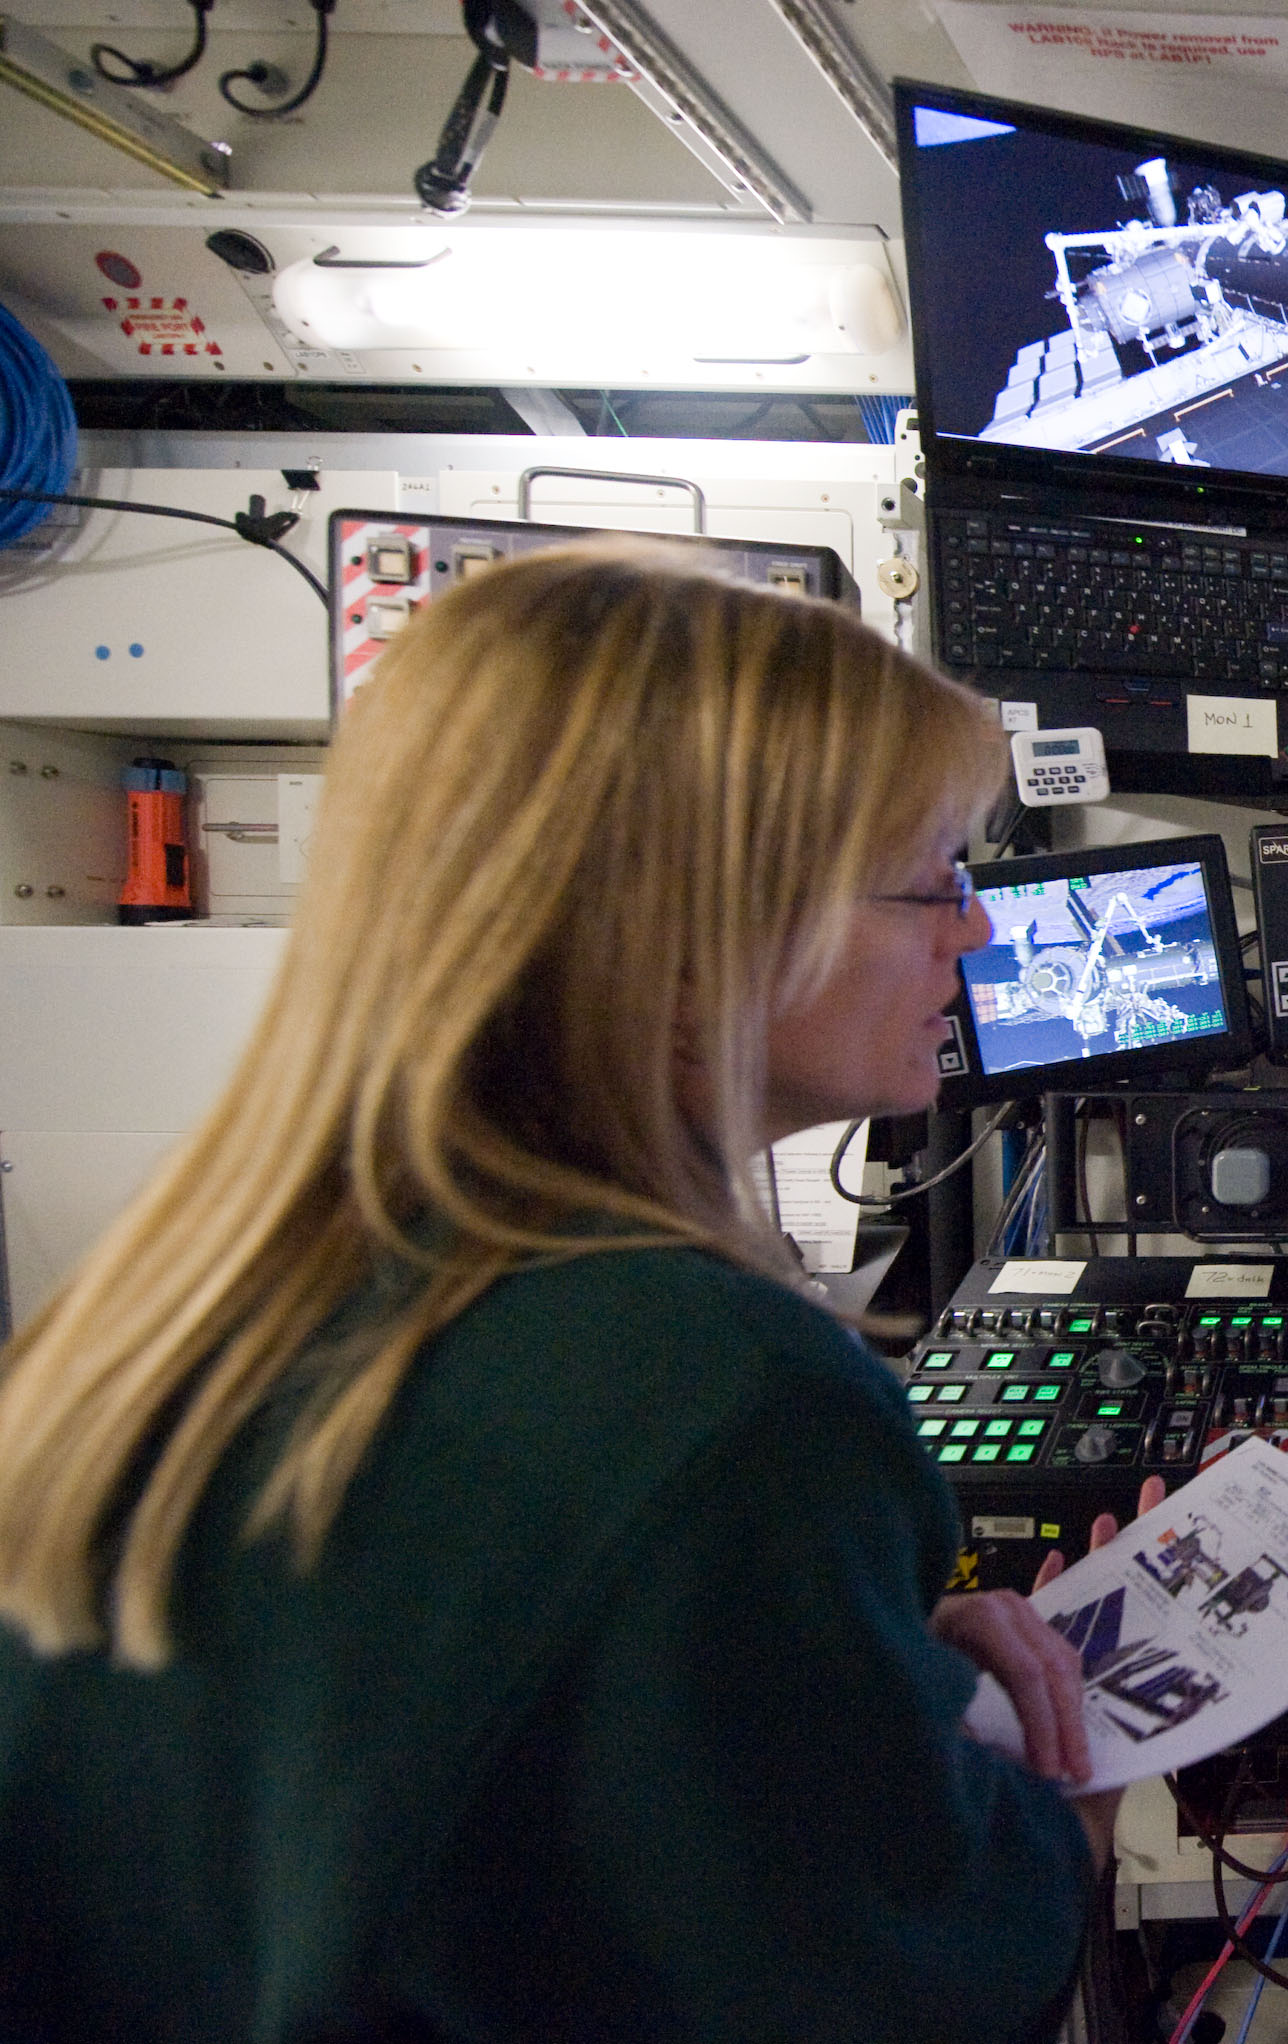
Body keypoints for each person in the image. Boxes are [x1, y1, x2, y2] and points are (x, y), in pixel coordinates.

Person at [0, 546, 1128, 2041]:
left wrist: (867, 1687)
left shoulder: (173, 1312)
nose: (972, 932)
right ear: (694, 931)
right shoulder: (730, 1400)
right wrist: (1042, 1817)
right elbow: (898, 1989)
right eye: (931, 877)